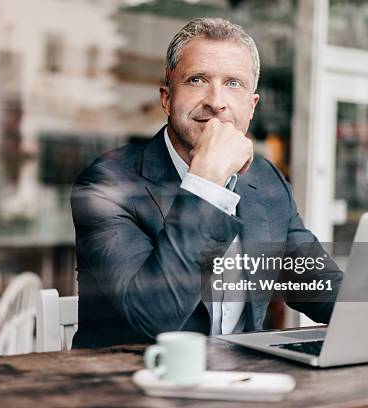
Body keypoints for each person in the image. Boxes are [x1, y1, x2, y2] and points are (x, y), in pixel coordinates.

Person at [71, 18, 342, 349]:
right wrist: (207, 180)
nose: (216, 101)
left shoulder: (266, 181)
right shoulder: (107, 184)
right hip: (134, 385)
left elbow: (318, 286)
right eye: (197, 80)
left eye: (233, 83)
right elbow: (152, 317)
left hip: (243, 383)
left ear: (251, 107)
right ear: (167, 99)